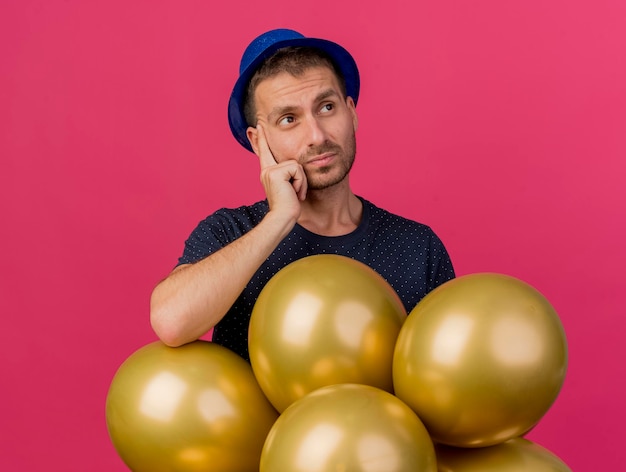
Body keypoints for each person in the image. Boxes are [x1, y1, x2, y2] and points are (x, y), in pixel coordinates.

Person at [150, 28, 455, 361]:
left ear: (351, 111)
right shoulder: (230, 232)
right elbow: (171, 320)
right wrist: (278, 220)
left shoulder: (416, 246)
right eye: (289, 118)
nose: (316, 135)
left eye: (326, 107)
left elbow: (449, 374)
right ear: (258, 141)